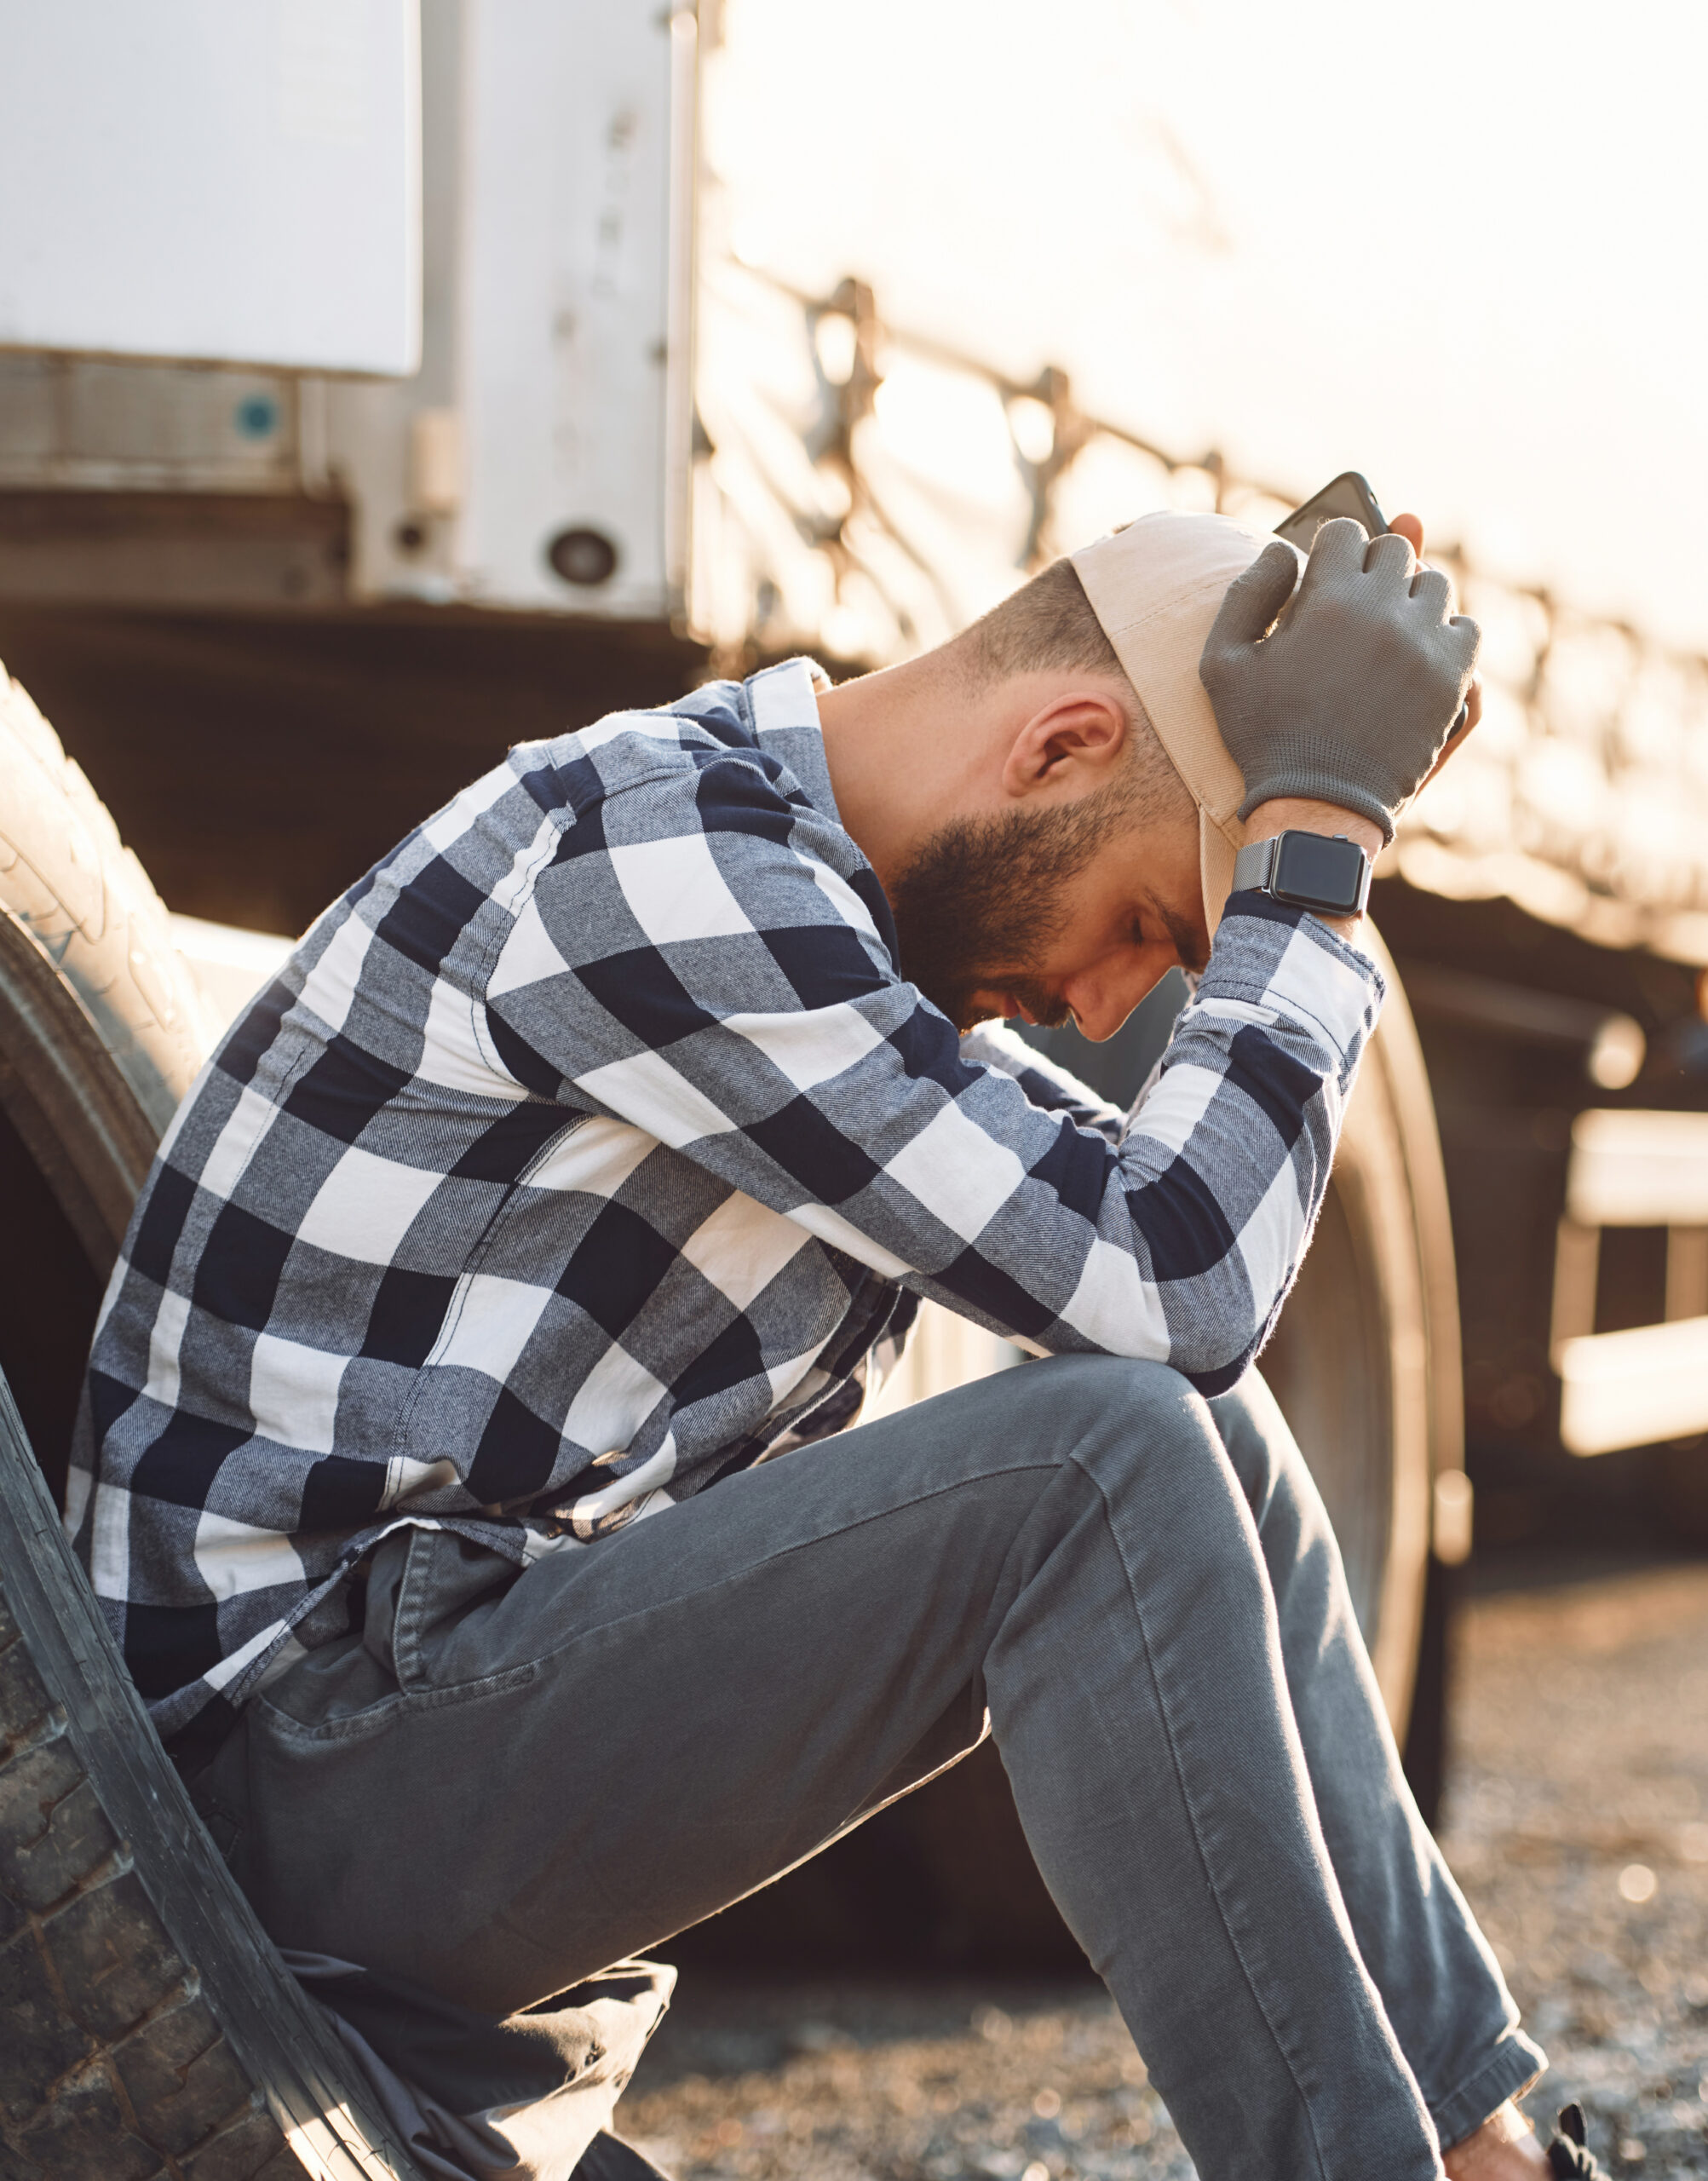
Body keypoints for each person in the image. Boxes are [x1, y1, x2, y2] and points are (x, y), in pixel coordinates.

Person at [70, 509, 1588, 2181]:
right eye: (1152, 924)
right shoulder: (654, 859)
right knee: (1101, 1460)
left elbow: (1167, 1283)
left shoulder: (817, 933)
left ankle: (1481, 2150)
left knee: (1205, 1439)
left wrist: (1316, 819)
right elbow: (1178, 1282)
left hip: (415, 1723)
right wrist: (1312, 845)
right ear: (1063, 744)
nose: (1107, 1007)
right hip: (279, 1785)